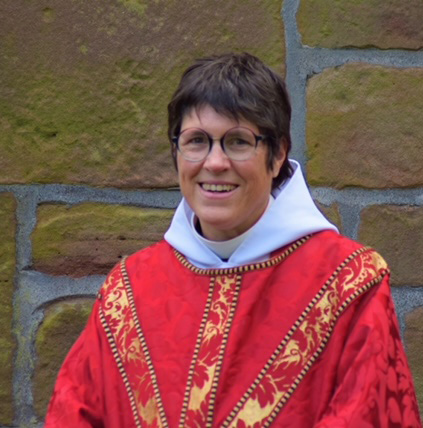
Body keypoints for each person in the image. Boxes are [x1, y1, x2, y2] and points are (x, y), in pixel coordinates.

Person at [46, 53, 421, 427]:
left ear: (277, 157)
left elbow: (366, 414)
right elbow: (74, 413)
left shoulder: (349, 284)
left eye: (238, 142)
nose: (214, 162)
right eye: (196, 141)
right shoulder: (128, 290)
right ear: (176, 153)